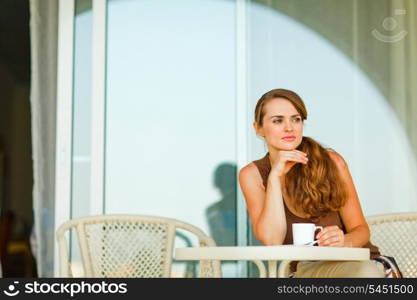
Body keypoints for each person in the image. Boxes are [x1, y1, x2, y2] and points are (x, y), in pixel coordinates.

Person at [238, 88, 398, 278]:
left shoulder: (332, 162)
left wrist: (344, 241)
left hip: (357, 263)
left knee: (366, 273)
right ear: (258, 128)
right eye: (278, 120)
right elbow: (272, 240)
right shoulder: (252, 175)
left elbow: (361, 230)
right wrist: (274, 178)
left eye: (296, 119)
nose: (289, 128)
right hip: (307, 271)